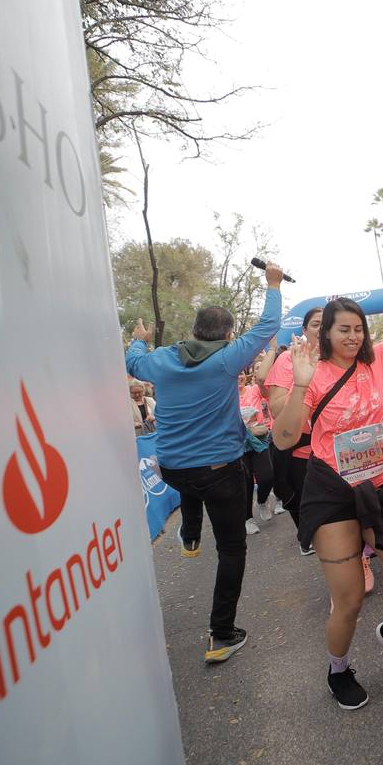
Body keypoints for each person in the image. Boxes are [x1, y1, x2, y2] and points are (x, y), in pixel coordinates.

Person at [272, 298, 383, 710]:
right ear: (325, 334)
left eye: (358, 328)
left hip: (379, 485)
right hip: (333, 495)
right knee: (350, 600)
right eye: (342, 329)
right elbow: (284, 439)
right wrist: (302, 384)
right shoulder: (314, 374)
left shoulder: (376, 361)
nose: (352, 336)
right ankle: (338, 669)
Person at [124, 262, 286, 663]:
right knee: (232, 549)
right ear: (228, 334)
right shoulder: (228, 359)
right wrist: (273, 284)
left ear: (195, 329)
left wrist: (138, 340)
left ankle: (191, 535)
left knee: (189, 489)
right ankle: (221, 633)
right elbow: (267, 326)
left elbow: (132, 364)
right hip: (219, 471)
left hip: (174, 469)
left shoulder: (160, 360)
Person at [264, 307, 323, 555]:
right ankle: (308, 537)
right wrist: (302, 381)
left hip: (338, 450)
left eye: (327, 323)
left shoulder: (343, 356)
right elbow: (276, 410)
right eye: (316, 324)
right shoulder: (288, 359)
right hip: (300, 449)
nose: (322, 329)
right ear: (304, 329)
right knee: (306, 507)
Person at [239, 356, 277, 533]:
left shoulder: (254, 389)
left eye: (241, 374)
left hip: (260, 438)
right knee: (245, 482)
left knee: (267, 476)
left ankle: (262, 501)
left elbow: (266, 390)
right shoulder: (225, 395)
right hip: (238, 442)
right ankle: (247, 518)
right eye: (236, 374)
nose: (239, 377)